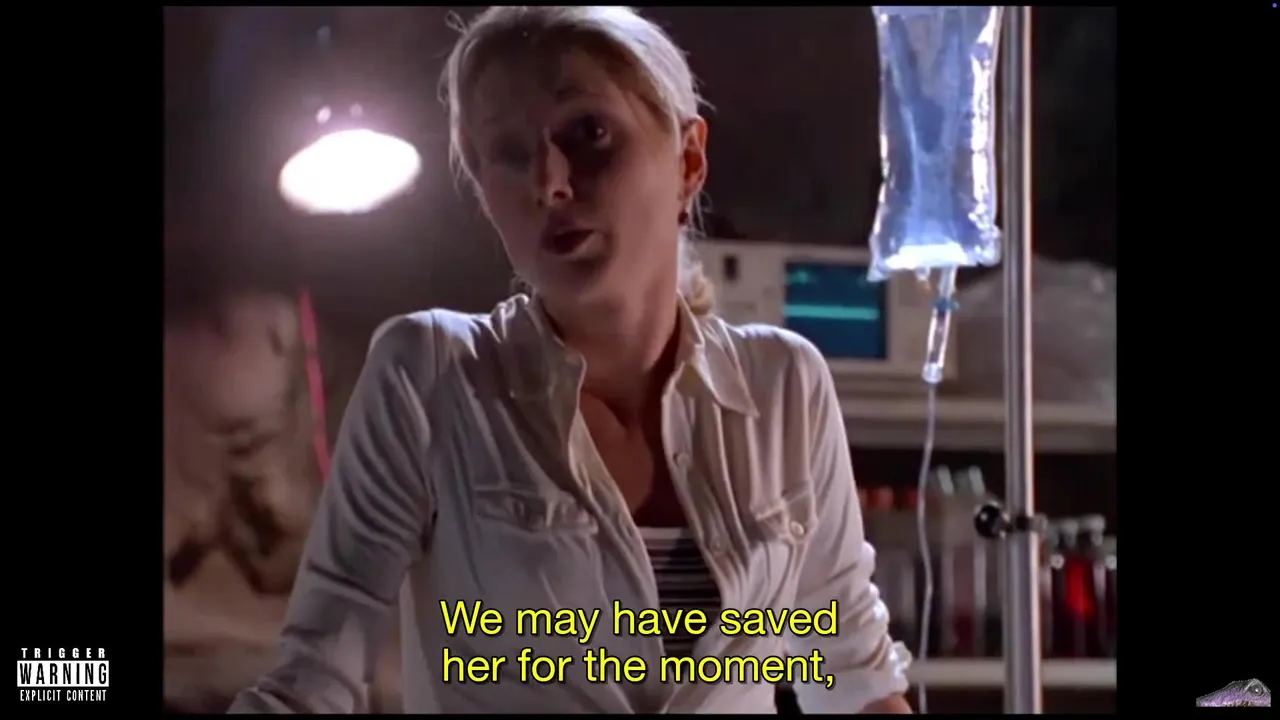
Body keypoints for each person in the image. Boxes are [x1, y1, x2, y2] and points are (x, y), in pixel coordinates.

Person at [230, 6, 912, 714]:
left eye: (589, 133)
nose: (549, 182)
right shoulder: (432, 374)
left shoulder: (783, 386)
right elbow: (313, 679)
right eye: (508, 151)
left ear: (688, 161)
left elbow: (856, 678)